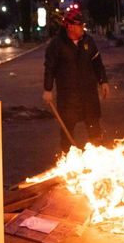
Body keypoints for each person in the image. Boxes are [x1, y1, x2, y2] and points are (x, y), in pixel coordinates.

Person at [43, 8, 110, 149]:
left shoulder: (88, 41)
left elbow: (97, 63)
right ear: (70, 26)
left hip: (88, 93)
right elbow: (50, 68)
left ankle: (96, 155)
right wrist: (47, 89)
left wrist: (103, 81)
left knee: (94, 126)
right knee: (67, 127)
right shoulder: (56, 45)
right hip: (68, 95)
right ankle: (67, 157)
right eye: (80, 25)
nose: (82, 28)